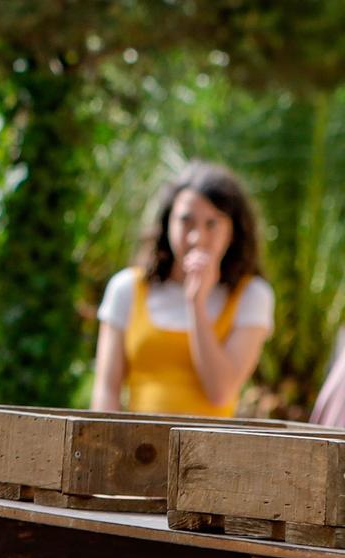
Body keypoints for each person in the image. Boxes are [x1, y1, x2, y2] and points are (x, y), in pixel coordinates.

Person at [92, 162, 274, 416]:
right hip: (139, 450)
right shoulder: (127, 288)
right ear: (167, 224)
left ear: (233, 232)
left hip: (210, 452)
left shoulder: (253, 295)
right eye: (186, 222)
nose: (196, 237)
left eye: (212, 224)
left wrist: (196, 304)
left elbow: (220, 391)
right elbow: (106, 389)